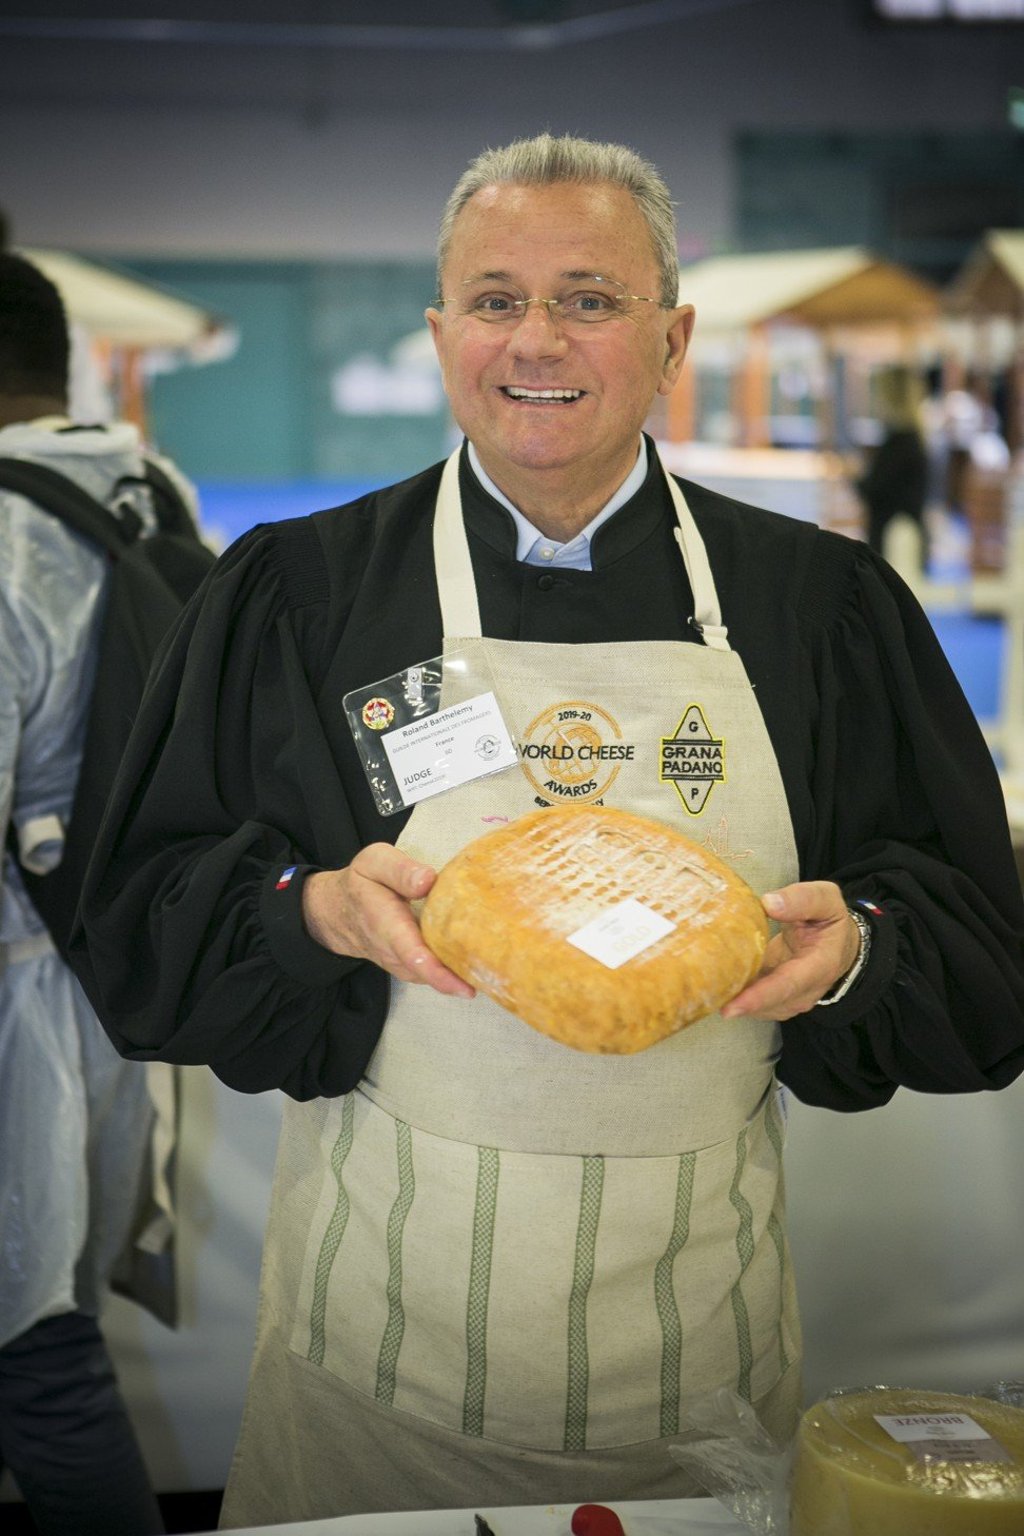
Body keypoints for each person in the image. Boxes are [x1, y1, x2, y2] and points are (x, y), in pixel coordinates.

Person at [74, 136, 1024, 1525]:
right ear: (441, 331)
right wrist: (308, 911)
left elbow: (983, 953)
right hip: (376, 1356)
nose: (537, 339)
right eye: (495, 299)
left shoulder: (814, 608)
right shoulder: (303, 593)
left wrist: (861, 954)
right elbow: (140, 920)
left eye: (589, 297)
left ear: (671, 336)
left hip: (702, 1357)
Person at [0, 252, 199, 1536]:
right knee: (42, 1342)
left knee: (40, 1368)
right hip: (106, 986)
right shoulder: (146, 487)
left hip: (18, 1011)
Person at [856, 364, 929, 566]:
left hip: (895, 545)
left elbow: (875, 489)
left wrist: (854, 475)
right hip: (901, 540)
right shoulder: (911, 438)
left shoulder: (899, 442)